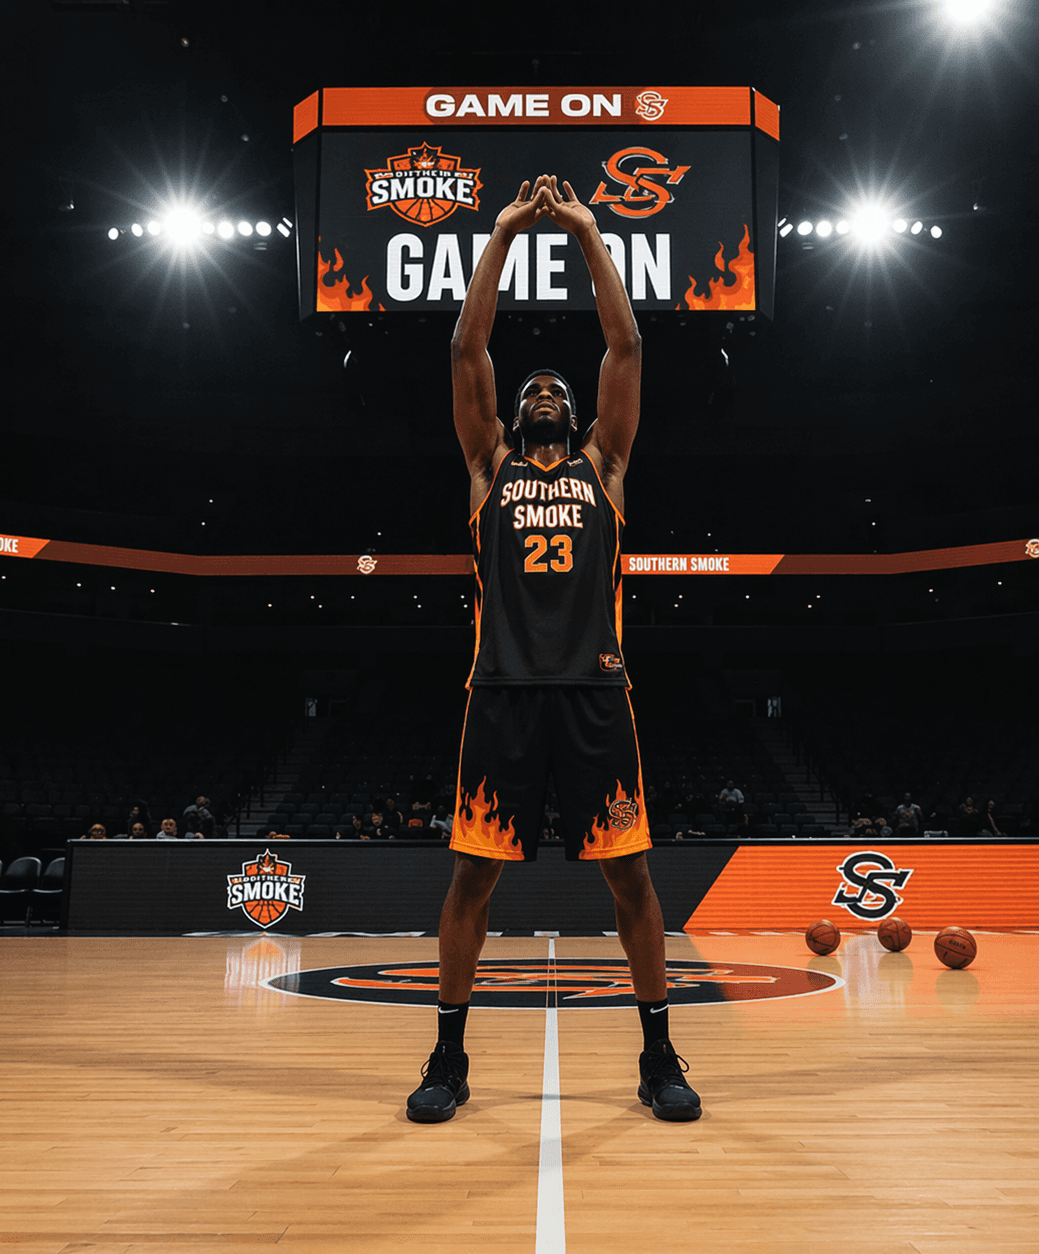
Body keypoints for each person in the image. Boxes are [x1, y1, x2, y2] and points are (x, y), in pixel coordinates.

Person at [407, 175, 699, 1126]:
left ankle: (658, 1055)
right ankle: (448, 1056)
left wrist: (586, 232)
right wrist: (498, 234)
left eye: (553, 391)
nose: (539, 394)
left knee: (631, 877)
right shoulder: (486, 465)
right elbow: (466, 349)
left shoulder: (604, 466)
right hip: (501, 691)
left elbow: (626, 346)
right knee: (472, 876)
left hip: (593, 693)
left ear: (574, 416)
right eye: (528, 389)